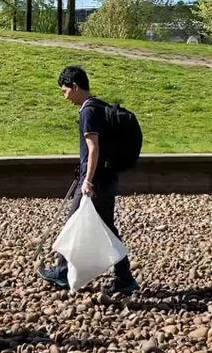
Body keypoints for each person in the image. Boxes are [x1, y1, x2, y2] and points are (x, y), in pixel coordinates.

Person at [38, 66, 138, 295]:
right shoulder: (100, 107)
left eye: (65, 91)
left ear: (75, 87)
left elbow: (93, 149)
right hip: (108, 178)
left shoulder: (88, 111)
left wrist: (88, 181)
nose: (64, 96)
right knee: (108, 229)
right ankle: (125, 279)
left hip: (96, 182)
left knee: (73, 222)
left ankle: (63, 271)